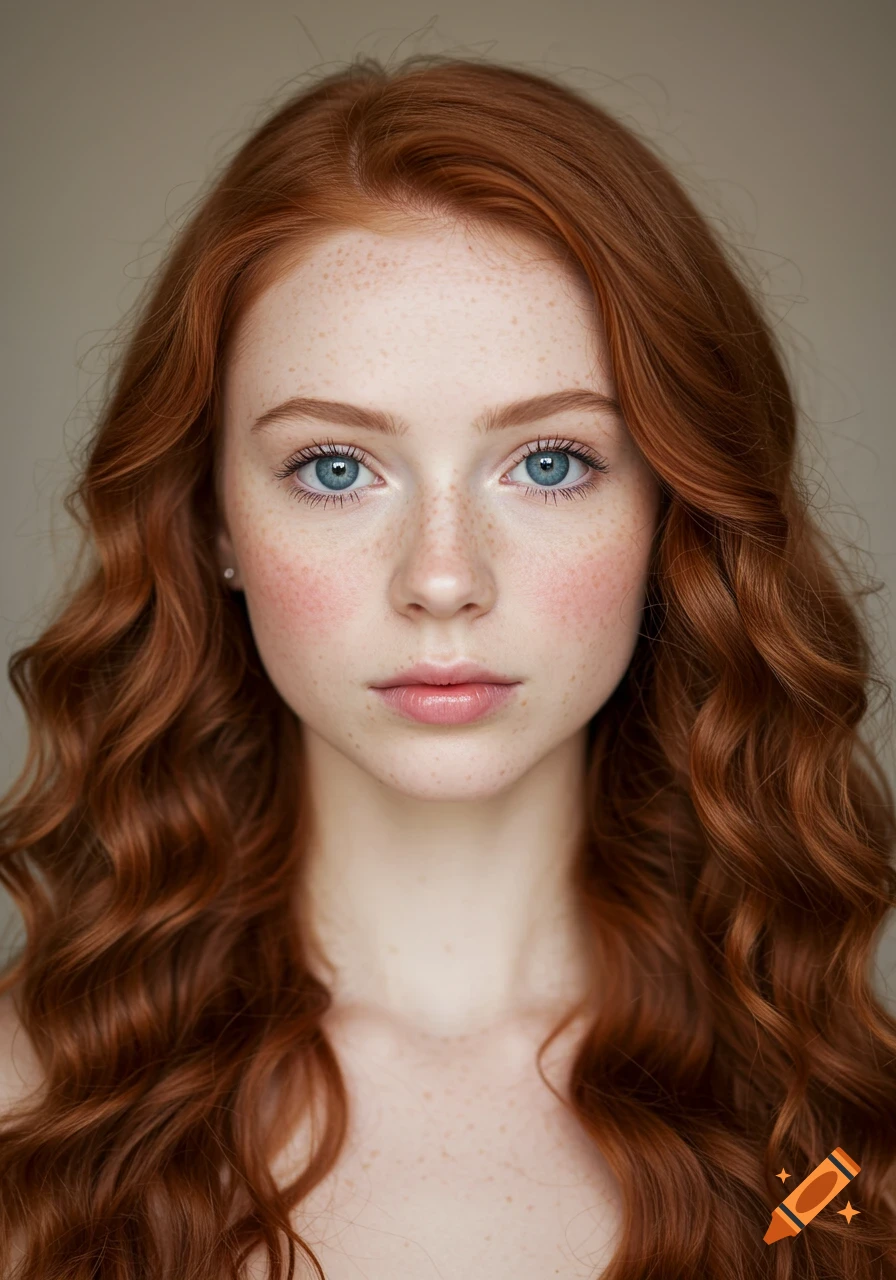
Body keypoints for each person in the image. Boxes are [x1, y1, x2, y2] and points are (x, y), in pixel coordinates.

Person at [0, 52, 894, 1280]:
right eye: (332, 465)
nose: (440, 577)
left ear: (669, 512)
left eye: (546, 462)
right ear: (208, 520)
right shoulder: (26, 1117)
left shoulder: (827, 1152)